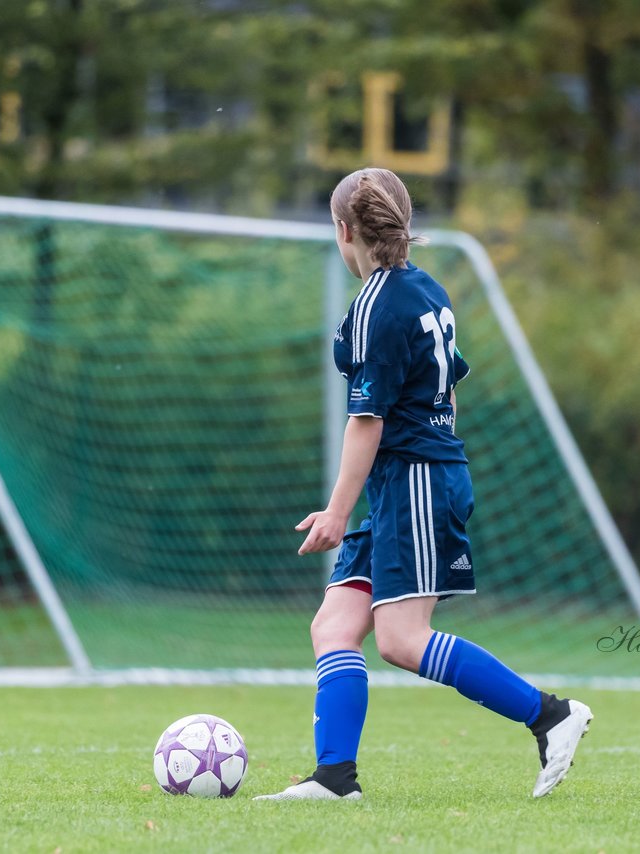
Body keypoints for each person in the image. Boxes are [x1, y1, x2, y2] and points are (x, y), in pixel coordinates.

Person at [255, 168, 592, 802]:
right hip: (407, 482)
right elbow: (449, 393)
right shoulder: (427, 290)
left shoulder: (375, 305)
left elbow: (367, 420)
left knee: (402, 641)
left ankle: (550, 715)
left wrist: (336, 510)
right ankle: (335, 778)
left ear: (344, 231)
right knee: (334, 627)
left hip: (412, 481)